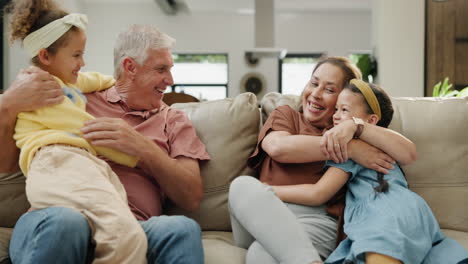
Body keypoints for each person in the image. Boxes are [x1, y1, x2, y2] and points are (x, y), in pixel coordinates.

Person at [1, 20, 209, 264]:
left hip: (133, 227)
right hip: (57, 216)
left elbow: (191, 195)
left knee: (181, 229)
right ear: (130, 67)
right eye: (161, 69)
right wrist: (8, 104)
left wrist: (142, 148)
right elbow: (7, 165)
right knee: (67, 223)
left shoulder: (173, 120)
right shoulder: (73, 97)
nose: (170, 80)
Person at [228, 56, 418, 264]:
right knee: (241, 186)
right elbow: (277, 147)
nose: (316, 94)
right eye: (314, 83)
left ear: (343, 98)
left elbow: (407, 153)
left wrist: (353, 131)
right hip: (261, 210)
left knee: (259, 254)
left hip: (316, 221)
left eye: (329, 90)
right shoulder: (287, 116)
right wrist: (350, 148)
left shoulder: (349, 129)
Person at [5, 0, 147, 263]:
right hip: (57, 160)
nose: (82, 62)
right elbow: (83, 127)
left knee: (123, 231)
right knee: (126, 237)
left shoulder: (64, 80)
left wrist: (117, 83)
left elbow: (92, 78)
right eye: (76, 55)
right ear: (46, 56)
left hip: (81, 164)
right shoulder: (39, 86)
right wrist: (131, 153)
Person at [298, 79, 468, 264]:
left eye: (344, 110)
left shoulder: (353, 147)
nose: (336, 116)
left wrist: (267, 189)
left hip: (384, 209)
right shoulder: (375, 146)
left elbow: (318, 193)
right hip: (406, 209)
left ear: (371, 121)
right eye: (336, 109)